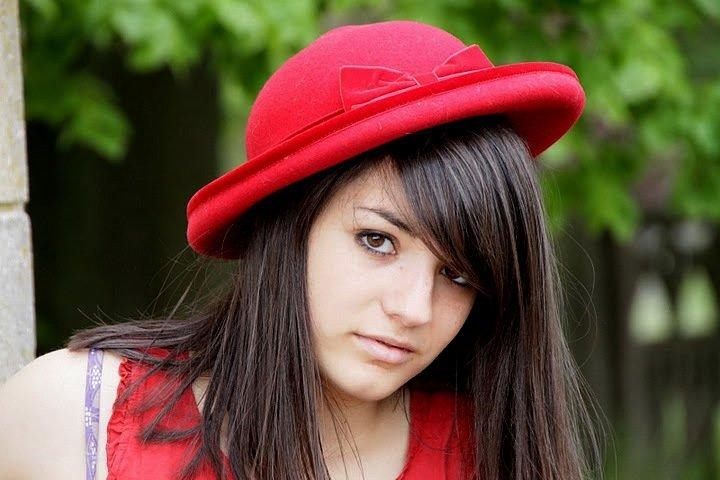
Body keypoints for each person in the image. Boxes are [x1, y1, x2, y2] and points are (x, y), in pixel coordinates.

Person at [0, 20, 602, 480]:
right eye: (377, 241)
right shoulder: (73, 418)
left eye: (459, 274)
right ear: (287, 227)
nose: (414, 308)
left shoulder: (496, 452)